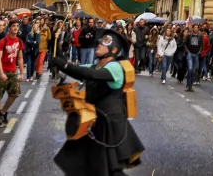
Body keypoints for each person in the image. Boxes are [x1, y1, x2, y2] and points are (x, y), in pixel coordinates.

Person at [53, 26, 144, 176]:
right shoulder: (97, 65)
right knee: (91, 166)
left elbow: (89, 74)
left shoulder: (115, 67)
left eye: (105, 41)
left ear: (114, 50)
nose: (99, 43)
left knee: (107, 169)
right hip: (97, 121)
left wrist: (64, 64)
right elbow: (77, 70)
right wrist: (56, 44)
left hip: (111, 125)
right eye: (101, 40)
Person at [0, 17, 25, 127]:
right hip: (1, 72)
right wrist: (1, 73)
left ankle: (3, 111)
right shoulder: (3, 41)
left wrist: (21, 73)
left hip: (12, 72)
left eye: (17, 26)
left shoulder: (19, 41)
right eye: (13, 26)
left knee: (15, 94)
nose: (15, 28)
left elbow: (20, 58)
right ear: (9, 28)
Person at [185, 22, 203, 91]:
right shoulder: (189, 35)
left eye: (197, 27)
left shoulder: (200, 36)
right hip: (190, 53)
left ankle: (190, 85)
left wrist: (199, 52)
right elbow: (185, 44)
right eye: (195, 27)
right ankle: (187, 85)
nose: (196, 28)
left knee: (193, 70)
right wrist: (188, 51)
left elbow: (201, 45)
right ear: (193, 28)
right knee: (190, 68)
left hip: (196, 54)